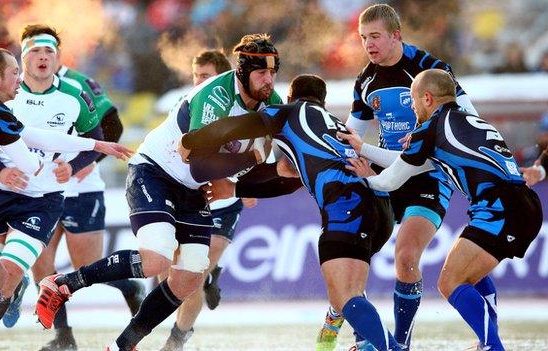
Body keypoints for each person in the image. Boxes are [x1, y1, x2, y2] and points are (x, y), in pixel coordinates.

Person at [35, 33, 282, 351]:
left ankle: (122, 345)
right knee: (156, 260)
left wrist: (243, 183)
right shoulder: (215, 95)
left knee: (191, 276)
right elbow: (195, 162)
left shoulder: (273, 103)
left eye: (273, 72)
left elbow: (270, 160)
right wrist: (247, 163)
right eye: (262, 72)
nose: (269, 80)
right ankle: (63, 283)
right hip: (155, 172)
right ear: (243, 71)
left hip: (192, 187)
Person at [177, 74, 406, 351]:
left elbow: (236, 126)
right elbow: (288, 180)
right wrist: (235, 190)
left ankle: (391, 348)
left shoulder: (288, 113)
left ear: (289, 98)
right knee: (347, 290)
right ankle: (344, 338)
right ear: (323, 101)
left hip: (346, 205)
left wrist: (193, 140)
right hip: (379, 204)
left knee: (347, 296)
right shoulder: (329, 122)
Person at [0, 47, 130, 351]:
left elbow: (31, 135)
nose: (19, 78)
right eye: (14, 73)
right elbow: (30, 161)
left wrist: (95, 143)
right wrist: (64, 167)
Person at [315, 4, 492, 351]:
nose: (369, 45)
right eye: (364, 38)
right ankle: (357, 331)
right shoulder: (365, 81)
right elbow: (354, 133)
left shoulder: (431, 70)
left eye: (376, 36)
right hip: (385, 172)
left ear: (396, 35)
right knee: (352, 254)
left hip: (428, 178)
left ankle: (399, 343)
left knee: (406, 256)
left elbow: (469, 119)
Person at [339, 68, 542, 351]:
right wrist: (365, 149)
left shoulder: (430, 128)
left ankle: (492, 346)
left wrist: (366, 177)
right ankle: (488, 340)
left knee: (450, 282)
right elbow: (413, 163)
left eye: (412, 99)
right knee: (471, 276)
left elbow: (391, 179)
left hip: (499, 208)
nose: (411, 106)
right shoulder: (467, 120)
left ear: (427, 98)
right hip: (524, 204)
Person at [23, 59, 146, 351]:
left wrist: (83, 164)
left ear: (56, 53)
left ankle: (131, 286)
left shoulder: (78, 83)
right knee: (42, 269)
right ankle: (64, 338)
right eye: (33, 49)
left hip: (82, 190)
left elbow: (113, 127)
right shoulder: (17, 88)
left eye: (46, 49)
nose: (41, 57)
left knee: (86, 269)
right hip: (41, 192)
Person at [159, 48, 259, 351]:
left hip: (223, 206)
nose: (199, 82)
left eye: (205, 77)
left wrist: (247, 185)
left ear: (224, 78)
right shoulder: (186, 105)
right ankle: (211, 276)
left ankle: (177, 339)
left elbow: (259, 150)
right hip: (187, 200)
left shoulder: (242, 109)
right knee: (172, 275)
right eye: (195, 76)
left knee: (193, 276)